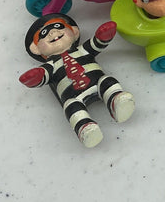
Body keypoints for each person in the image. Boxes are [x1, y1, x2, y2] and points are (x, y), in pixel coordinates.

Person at [20, 14, 135, 148]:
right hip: (72, 96)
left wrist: (103, 36)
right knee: (71, 106)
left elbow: (96, 44)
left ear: (74, 32)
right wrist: (35, 77)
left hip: (97, 82)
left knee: (107, 81)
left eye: (59, 26)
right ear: (36, 49)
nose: (53, 32)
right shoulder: (51, 66)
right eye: (44, 34)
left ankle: (117, 101)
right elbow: (43, 75)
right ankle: (85, 128)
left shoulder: (82, 50)